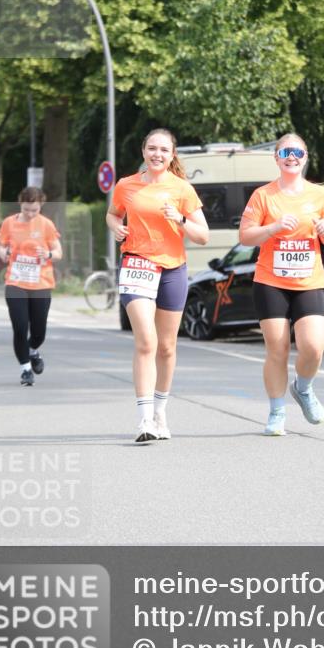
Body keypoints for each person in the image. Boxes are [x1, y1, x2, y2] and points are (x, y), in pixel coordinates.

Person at [107, 128, 209, 445]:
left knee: (166, 347)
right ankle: (144, 418)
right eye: (152, 148)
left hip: (172, 269)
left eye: (164, 150)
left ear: (172, 155)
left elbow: (202, 235)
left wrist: (179, 218)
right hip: (137, 264)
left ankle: (161, 411)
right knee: (146, 341)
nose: (157, 154)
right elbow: (111, 215)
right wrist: (116, 229)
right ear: (143, 151)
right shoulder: (126, 185)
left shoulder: (182, 189)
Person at [239, 133, 324, 436]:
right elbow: (245, 236)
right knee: (278, 349)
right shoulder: (263, 196)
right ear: (277, 158)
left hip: (308, 281)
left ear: (305, 157)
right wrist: (273, 228)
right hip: (271, 281)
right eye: (285, 152)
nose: (291, 157)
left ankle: (304, 388)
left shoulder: (320, 196)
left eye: (297, 152)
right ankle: (276, 412)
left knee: (313, 348)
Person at [0, 187, 63, 386]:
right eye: (27, 210)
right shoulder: (9, 223)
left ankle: (33, 350)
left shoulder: (46, 225)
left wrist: (48, 255)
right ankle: (25, 369)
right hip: (16, 281)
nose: (31, 214)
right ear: (20, 203)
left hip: (41, 282)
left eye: (35, 210)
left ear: (41, 205)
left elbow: (58, 251)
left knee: (39, 330)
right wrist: (2, 253)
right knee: (20, 326)